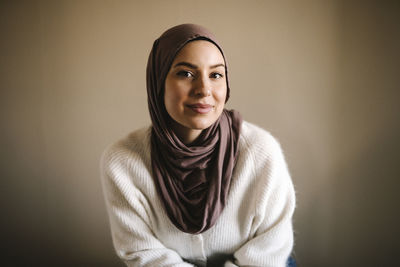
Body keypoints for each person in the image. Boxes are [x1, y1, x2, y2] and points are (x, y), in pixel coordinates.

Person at [100, 23, 296, 267]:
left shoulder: (260, 152)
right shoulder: (123, 162)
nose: (204, 90)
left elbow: (268, 255)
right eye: (186, 73)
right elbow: (144, 254)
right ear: (158, 82)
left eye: (216, 75)